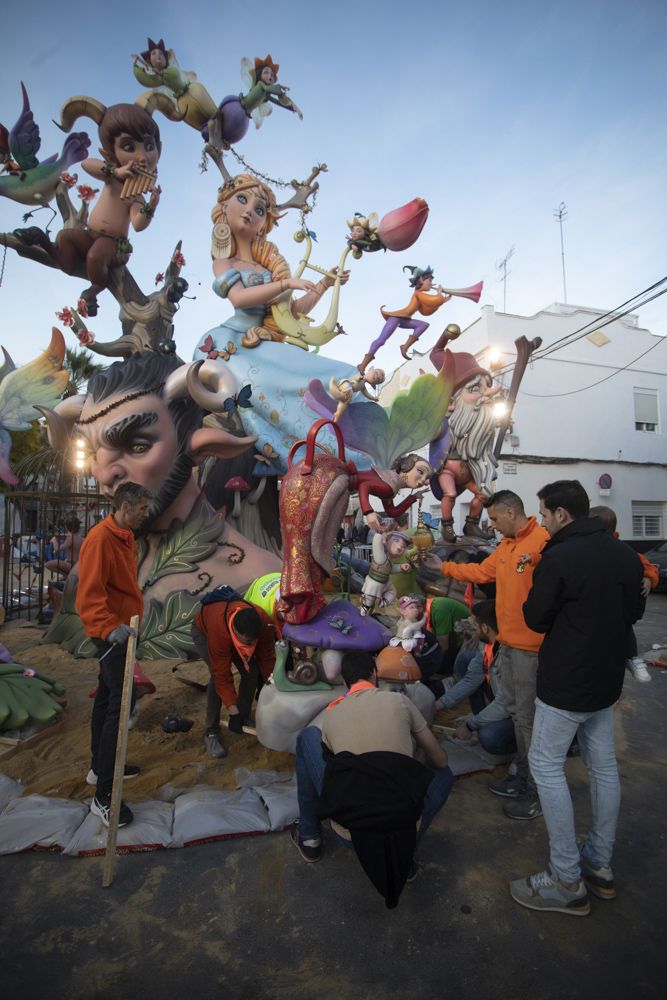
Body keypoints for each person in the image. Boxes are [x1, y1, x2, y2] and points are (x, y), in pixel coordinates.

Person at [510, 480, 644, 917]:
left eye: (545, 514)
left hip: (567, 682)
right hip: (605, 681)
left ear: (562, 514)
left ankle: (566, 877)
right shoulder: (625, 555)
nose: (543, 522)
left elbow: (536, 617)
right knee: (604, 769)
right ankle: (598, 866)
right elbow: (635, 612)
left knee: (546, 767)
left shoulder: (559, 556)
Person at [291, 650, 454, 907]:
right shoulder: (400, 702)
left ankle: (309, 835)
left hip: (351, 832)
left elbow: (335, 769)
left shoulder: (332, 715)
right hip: (403, 824)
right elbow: (441, 761)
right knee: (444, 775)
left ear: (345, 683)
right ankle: (406, 855)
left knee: (307, 737)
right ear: (375, 675)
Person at [430, 489, 549, 819]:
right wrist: (446, 567)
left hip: (531, 650)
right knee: (516, 713)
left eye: (494, 519)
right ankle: (520, 777)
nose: (492, 526)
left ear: (511, 512)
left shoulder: (542, 542)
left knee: (527, 722)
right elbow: (482, 573)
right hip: (509, 646)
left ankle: (534, 791)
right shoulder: (507, 546)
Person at [18, 101, 162, 316]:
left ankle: (94, 290)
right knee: (65, 237)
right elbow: (87, 164)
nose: (141, 157)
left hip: (113, 245)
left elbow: (138, 224)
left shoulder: (137, 195)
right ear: (112, 151)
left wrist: (152, 204)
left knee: (96, 255)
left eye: (149, 147)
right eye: (129, 147)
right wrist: (117, 172)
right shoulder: (111, 176)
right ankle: (41, 239)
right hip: (91, 235)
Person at [76, 482, 152, 829]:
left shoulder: (125, 537)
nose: (146, 513)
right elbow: (89, 595)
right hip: (110, 636)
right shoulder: (100, 539)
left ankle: (99, 767)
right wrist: (108, 628)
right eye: (141, 508)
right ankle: (104, 797)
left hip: (122, 631)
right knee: (120, 706)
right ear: (125, 505)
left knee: (107, 699)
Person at [192, 592, 278, 757]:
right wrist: (233, 712)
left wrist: (272, 685)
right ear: (236, 632)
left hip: (232, 630)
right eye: (248, 642)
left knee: (251, 671)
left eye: (255, 641)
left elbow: (267, 657)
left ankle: (244, 715)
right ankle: (211, 731)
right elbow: (222, 676)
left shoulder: (263, 621)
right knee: (215, 678)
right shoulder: (220, 633)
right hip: (205, 631)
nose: (252, 645)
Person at [589, 505, 658, 683]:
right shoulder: (585, 548)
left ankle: (633, 658)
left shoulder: (625, 551)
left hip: (616, 606)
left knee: (624, 627)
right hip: (597, 604)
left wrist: (649, 578)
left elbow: (648, 566)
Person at [358, 264, 452, 373]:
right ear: (421, 279)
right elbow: (434, 301)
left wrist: (442, 301)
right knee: (381, 340)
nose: (431, 284)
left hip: (404, 319)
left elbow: (426, 311)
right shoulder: (418, 294)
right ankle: (363, 365)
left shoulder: (421, 296)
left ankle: (404, 347)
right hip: (396, 318)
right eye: (429, 280)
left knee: (423, 325)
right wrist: (439, 295)